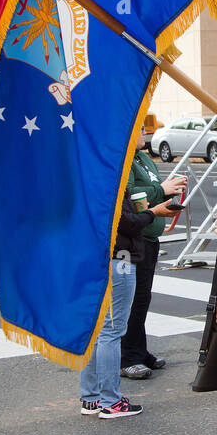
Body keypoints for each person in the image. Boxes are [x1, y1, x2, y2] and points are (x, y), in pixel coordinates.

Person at [79, 187, 177, 419]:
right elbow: (126, 223)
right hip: (118, 258)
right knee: (111, 331)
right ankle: (110, 400)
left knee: (96, 329)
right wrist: (154, 212)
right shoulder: (108, 179)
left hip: (96, 256)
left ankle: (91, 397)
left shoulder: (88, 176)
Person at [120, 148, 187, 380]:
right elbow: (126, 193)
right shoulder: (125, 157)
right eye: (140, 127)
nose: (144, 131)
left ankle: (138, 350)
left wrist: (166, 189)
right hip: (133, 239)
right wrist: (161, 189)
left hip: (149, 236)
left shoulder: (143, 157)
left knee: (142, 298)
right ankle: (128, 357)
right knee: (132, 299)